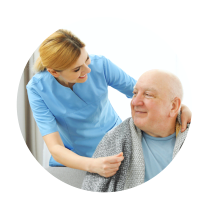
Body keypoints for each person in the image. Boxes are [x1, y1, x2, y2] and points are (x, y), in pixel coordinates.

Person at [26, 29, 191, 180]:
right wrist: (93, 165)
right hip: (76, 157)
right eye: (77, 69)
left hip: (117, 144)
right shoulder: (37, 89)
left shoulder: (100, 65)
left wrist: (177, 107)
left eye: (87, 59)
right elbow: (55, 147)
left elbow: (141, 93)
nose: (87, 70)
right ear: (54, 72)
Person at [81, 69, 190, 192]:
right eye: (134, 93)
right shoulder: (114, 140)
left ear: (174, 106)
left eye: (148, 94)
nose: (134, 102)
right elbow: (91, 192)